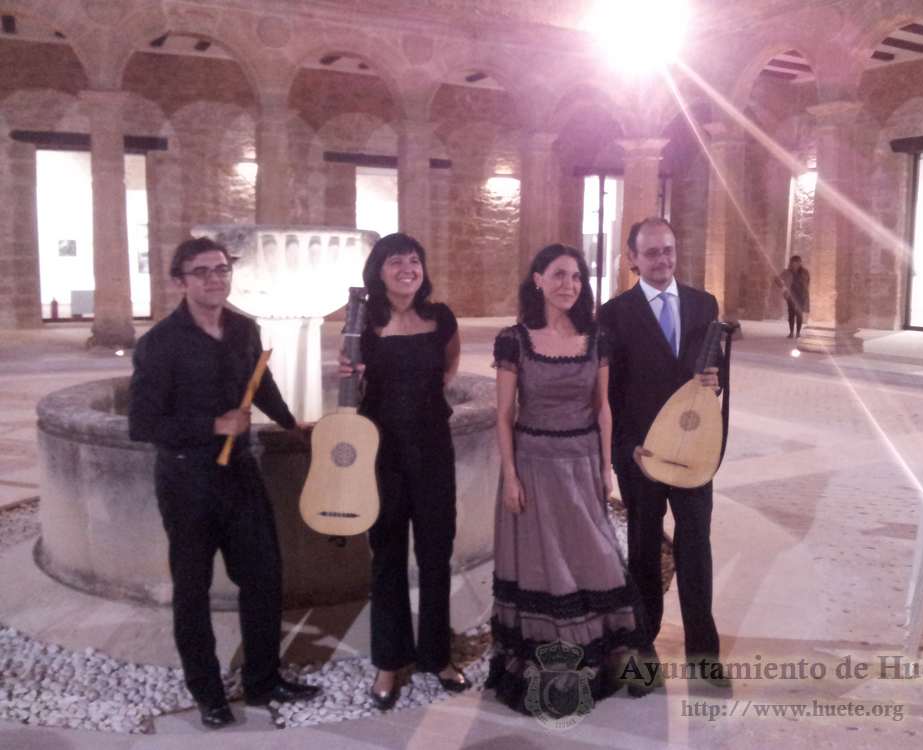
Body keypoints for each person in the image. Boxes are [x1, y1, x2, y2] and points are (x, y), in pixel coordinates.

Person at [128, 237, 320, 730]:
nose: (215, 279)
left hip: (240, 474)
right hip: (187, 479)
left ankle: (263, 680)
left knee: (263, 577)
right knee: (192, 590)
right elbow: (143, 423)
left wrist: (291, 424)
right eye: (202, 271)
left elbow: (262, 384)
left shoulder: (243, 329)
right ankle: (208, 693)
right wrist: (214, 425)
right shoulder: (160, 344)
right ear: (180, 281)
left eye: (221, 269)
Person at [487, 243, 646, 715]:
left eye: (576, 277)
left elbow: (603, 408)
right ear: (537, 280)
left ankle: (614, 665)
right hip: (533, 467)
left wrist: (604, 467)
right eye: (558, 275)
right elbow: (503, 414)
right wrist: (510, 475)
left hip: (581, 464)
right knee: (545, 571)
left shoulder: (596, 338)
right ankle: (555, 679)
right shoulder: (514, 340)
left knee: (599, 560)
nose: (568, 285)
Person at [598, 217, 729, 689]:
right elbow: (608, 393)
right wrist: (624, 449)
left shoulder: (703, 304)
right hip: (643, 456)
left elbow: (715, 376)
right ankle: (642, 654)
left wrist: (715, 384)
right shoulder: (613, 314)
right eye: (651, 252)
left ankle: (704, 657)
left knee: (696, 552)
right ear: (633, 258)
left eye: (668, 250)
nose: (662, 259)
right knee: (643, 554)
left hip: (694, 452)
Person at [339, 232, 467, 711]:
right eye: (396, 261)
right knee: (387, 555)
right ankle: (389, 661)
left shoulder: (440, 317)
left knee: (436, 553)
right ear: (379, 270)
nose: (407, 269)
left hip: (433, 449)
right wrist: (350, 376)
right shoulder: (363, 323)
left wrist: (432, 393)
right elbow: (352, 385)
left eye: (414, 260)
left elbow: (450, 362)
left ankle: (437, 656)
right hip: (383, 453)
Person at [777, 255, 810, 338]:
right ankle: (791, 332)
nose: (795, 264)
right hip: (791, 295)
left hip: (801, 295)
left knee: (799, 314)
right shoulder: (787, 272)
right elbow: (778, 279)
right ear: (791, 263)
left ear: (800, 263)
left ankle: (798, 333)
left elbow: (807, 281)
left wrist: (804, 290)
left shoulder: (805, 272)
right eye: (794, 263)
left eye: (797, 262)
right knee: (791, 313)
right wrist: (782, 286)